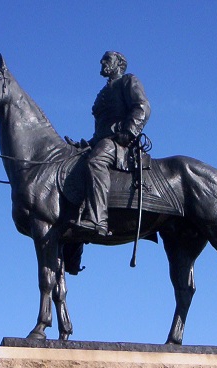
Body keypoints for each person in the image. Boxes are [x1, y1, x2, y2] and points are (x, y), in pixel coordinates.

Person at [73, 51, 151, 237]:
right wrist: (86, 143)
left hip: (120, 143)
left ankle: (98, 219)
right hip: (102, 141)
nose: (102, 62)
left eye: (107, 59)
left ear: (119, 64)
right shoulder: (103, 91)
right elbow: (103, 127)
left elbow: (142, 107)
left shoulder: (128, 81)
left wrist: (129, 132)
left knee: (95, 161)